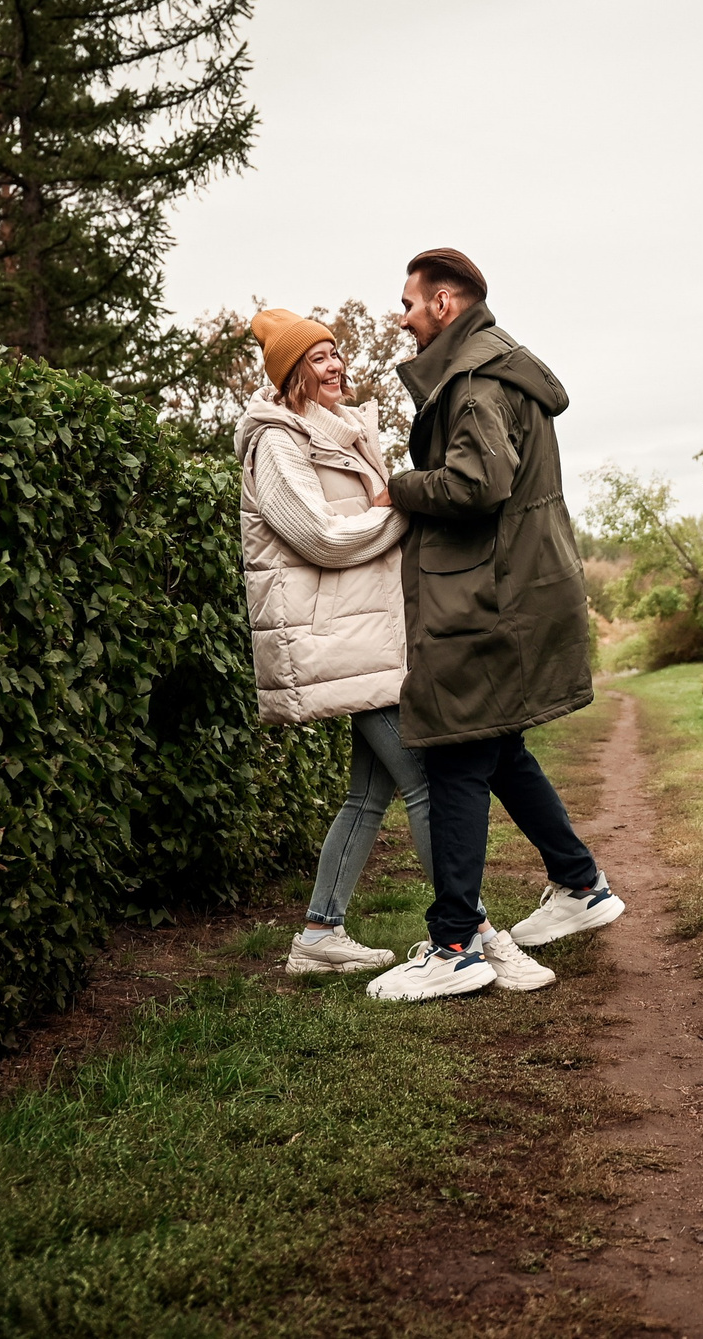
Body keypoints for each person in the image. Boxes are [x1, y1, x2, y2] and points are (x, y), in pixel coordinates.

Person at [235, 306, 554, 990]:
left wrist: (394, 502)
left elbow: (372, 513)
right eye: (319, 357)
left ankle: (319, 933)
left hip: (370, 634)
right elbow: (320, 536)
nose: (336, 365)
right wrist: (401, 505)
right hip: (341, 637)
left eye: (335, 352)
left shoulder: (341, 432)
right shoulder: (277, 442)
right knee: (428, 781)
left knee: (367, 794)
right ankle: (472, 937)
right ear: (290, 373)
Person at [364, 249, 626, 1003]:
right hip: (511, 588)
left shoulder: (474, 379)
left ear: (445, 303)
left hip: (484, 597)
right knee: (499, 747)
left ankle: (454, 946)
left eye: (410, 303)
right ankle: (579, 883)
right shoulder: (495, 367)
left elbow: (479, 482)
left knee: (455, 752)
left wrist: (399, 488)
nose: (402, 317)